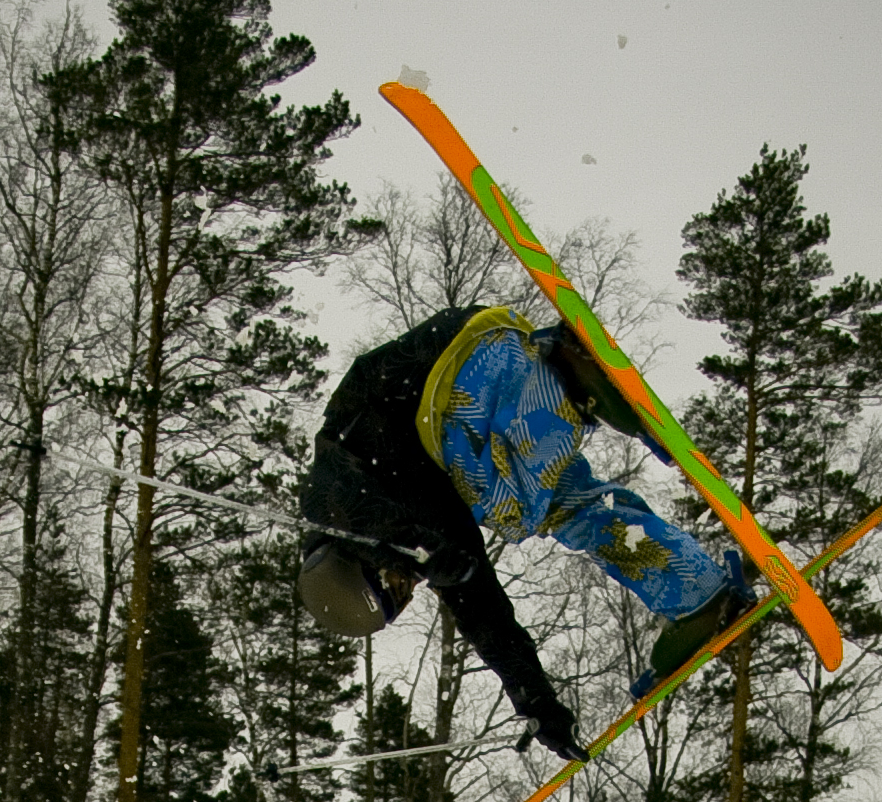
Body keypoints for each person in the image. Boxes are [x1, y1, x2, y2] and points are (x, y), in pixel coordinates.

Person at [295, 302, 757, 760]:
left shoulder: (337, 490)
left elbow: (343, 506)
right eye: (403, 601)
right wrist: (537, 703)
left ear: (360, 559)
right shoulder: (432, 536)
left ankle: (571, 380)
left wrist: (413, 548)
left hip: (455, 370)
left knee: (511, 509)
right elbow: (487, 619)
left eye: (393, 585)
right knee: (565, 510)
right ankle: (696, 593)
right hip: (484, 395)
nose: (410, 587)